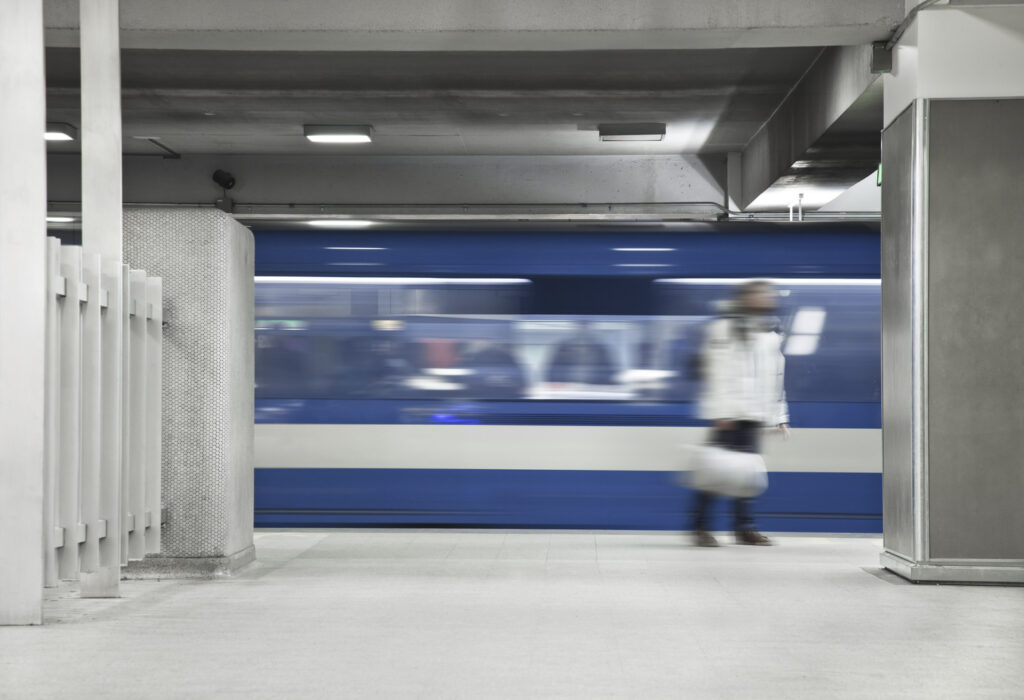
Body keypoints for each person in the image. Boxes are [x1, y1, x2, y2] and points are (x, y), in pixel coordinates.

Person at [693, 280, 790, 547]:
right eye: (761, 294)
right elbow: (717, 371)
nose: (768, 298)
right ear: (745, 298)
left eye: (769, 294)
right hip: (731, 415)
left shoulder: (770, 332)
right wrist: (722, 412)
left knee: (746, 475)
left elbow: (776, 376)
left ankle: (744, 528)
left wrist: (780, 416)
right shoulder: (724, 328)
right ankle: (700, 526)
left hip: (755, 415)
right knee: (716, 473)